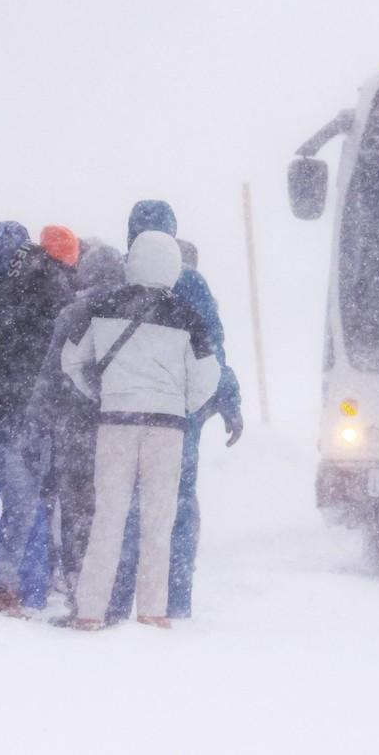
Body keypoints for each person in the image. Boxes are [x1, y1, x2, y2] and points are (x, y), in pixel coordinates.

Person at [61, 231, 220, 629]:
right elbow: (206, 375)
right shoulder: (189, 316)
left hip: (115, 421)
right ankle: (152, 610)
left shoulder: (99, 307)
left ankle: (91, 610)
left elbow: (72, 360)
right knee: (158, 520)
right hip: (166, 428)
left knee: (108, 517)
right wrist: (182, 404)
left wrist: (101, 392)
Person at [111, 200, 243, 620]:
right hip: (179, 417)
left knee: (118, 504)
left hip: (118, 412)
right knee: (177, 504)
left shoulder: (113, 277)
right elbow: (213, 354)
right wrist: (226, 402)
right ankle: (173, 598)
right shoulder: (191, 284)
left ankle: (113, 597)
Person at [17, 242, 125, 609]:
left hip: (75, 422)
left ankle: (81, 587)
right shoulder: (133, 309)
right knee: (112, 506)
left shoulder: (74, 312)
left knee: (76, 506)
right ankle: (114, 589)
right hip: (121, 422)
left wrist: (36, 422)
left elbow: (52, 371)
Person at [0, 221, 70, 611]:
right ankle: (5, 586)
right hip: (27, 410)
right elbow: (57, 353)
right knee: (24, 505)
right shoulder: (53, 285)